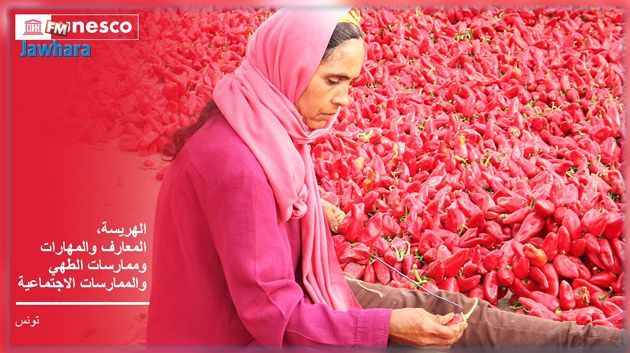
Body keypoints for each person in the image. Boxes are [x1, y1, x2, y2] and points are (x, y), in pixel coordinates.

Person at [146, 8, 623, 349]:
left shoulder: (255, 120)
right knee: (440, 332)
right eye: (332, 80)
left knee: (448, 316)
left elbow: (261, 234)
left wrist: (315, 207)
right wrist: (386, 327)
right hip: (237, 335)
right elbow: (277, 321)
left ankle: (596, 343)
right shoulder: (240, 165)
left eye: (350, 84)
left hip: (290, 294)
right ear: (286, 68)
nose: (344, 101)